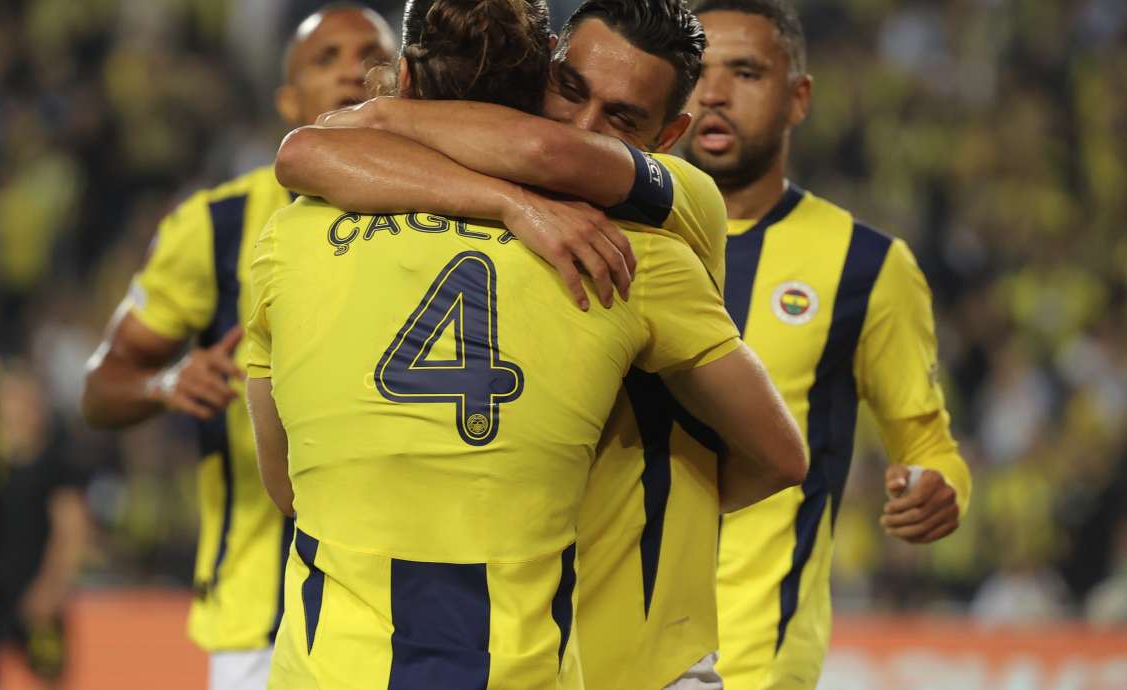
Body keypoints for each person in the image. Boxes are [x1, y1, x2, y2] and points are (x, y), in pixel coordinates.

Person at [245, 0, 806, 687]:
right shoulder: (504, 211)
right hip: (536, 638)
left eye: (623, 120)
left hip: (640, 658)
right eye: (571, 90)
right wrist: (509, 203)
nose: (587, 126)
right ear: (544, 62)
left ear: (671, 133)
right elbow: (305, 154)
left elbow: (547, 152)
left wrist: (639, 530)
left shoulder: (670, 220)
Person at [79, 7, 398, 689]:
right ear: (288, 100)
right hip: (265, 613)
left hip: (414, 600)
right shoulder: (217, 227)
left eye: (372, 53)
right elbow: (101, 386)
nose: (350, 68)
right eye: (325, 58)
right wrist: (164, 384)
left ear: (405, 81)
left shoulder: (451, 212)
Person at [675, 2, 973, 688]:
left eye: (744, 72)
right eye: (697, 71)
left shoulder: (867, 266)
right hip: (605, 651)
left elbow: (927, 445)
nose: (713, 94)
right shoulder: (612, 235)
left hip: (754, 659)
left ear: (798, 97)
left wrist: (939, 488)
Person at [0, 367, 91, 685]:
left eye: (23, 398)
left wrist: (51, 588)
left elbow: (72, 530)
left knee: (49, 676)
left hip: (37, 597)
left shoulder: (56, 464)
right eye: (7, 397)